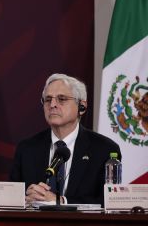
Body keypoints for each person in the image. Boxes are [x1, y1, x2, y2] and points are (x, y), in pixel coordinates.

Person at [10, 73, 121, 205]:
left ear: (82, 106)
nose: (52, 104)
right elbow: (10, 198)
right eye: (48, 99)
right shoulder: (27, 148)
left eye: (61, 99)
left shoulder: (104, 149)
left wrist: (61, 201)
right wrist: (25, 198)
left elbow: (109, 201)